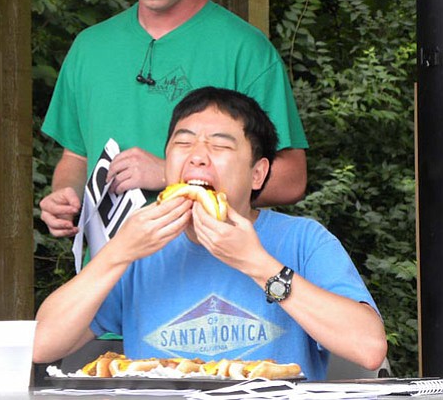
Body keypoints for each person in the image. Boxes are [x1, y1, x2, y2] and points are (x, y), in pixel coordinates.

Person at [33, 87, 387, 380]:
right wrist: (117, 253)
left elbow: (368, 348)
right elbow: (40, 345)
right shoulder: (140, 244)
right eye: (183, 143)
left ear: (257, 174)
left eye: (220, 146)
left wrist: (258, 263)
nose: (198, 157)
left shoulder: (302, 240)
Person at [40, 0, 309, 239]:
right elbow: (76, 157)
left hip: (208, 273)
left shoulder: (246, 50)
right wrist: (65, 195)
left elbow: (291, 178)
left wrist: (172, 174)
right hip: (106, 276)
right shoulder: (89, 47)